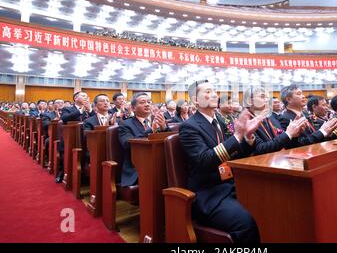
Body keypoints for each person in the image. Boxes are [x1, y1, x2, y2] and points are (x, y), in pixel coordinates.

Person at [179, 80, 263, 243]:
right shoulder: (189, 127)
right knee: (246, 223)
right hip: (210, 192)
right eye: (208, 92)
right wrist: (237, 136)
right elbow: (204, 161)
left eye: (215, 91)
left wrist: (248, 137)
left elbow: (236, 154)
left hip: (232, 184)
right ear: (196, 101)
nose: (215, 95)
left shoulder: (221, 121)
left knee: (267, 204)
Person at [118, 92, 168, 187]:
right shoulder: (125, 124)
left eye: (149, 102)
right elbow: (127, 144)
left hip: (160, 160)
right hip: (137, 166)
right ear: (133, 108)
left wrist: (164, 127)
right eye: (142, 102)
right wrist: (151, 130)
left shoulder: (158, 119)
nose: (147, 104)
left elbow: (168, 139)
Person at [244, 86, 307, 155]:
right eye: (262, 97)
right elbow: (260, 149)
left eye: (267, 98)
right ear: (250, 101)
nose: (267, 100)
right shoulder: (245, 122)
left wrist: (294, 135)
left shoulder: (271, 118)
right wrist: (288, 133)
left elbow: (285, 143)